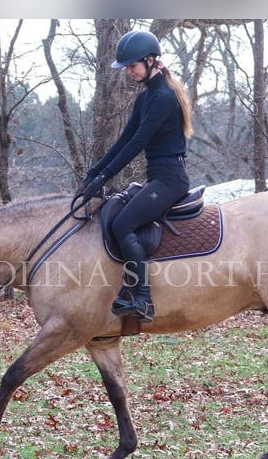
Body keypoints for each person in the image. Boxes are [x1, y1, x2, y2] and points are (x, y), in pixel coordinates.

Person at [80, 30, 194, 323]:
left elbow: (138, 143)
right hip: (157, 177)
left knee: (123, 223)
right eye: (126, 67)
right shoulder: (145, 99)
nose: (128, 72)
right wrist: (93, 174)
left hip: (171, 179)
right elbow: (123, 140)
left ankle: (141, 297)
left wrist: (106, 174)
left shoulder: (164, 98)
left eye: (132, 66)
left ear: (151, 60)